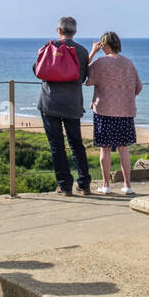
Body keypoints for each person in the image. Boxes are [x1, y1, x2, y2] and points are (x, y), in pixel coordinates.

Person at [32, 17, 92, 196]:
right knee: (76, 144)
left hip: (50, 103)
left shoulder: (48, 47)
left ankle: (65, 186)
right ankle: (84, 183)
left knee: (56, 146)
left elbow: (37, 70)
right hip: (72, 104)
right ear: (75, 32)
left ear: (59, 30)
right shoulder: (81, 51)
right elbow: (82, 77)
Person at [85, 31, 142, 195]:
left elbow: (83, 72)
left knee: (105, 149)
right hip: (125, 112)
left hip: (104, 112)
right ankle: (127, 186)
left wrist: (93, 52)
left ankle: (106, 185)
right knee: (124, 149)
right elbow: (138, 88)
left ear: (105, 45)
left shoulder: (100, 62)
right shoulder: (128, 63)